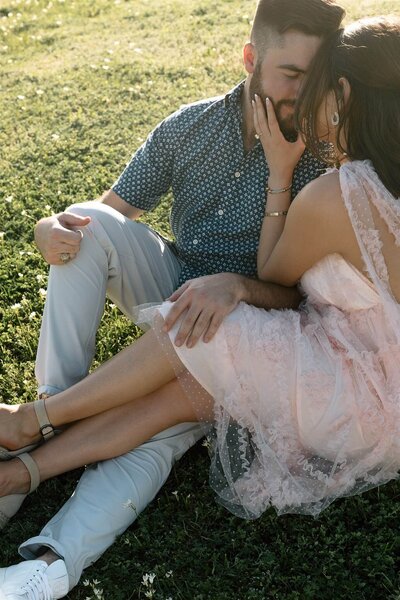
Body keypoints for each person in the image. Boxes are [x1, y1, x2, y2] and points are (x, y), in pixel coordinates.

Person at [2, 14, 400, 599]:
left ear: (343, 94)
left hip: (291, 342)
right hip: (326, 354)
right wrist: (49, 227)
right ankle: (35, 441)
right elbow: (105, 212)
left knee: (189, 368)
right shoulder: (195, 127)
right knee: (103, 246)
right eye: (292, 75)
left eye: (317, 81)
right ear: (250, 61)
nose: (304, 96)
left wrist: (248, 257)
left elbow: (281, 283)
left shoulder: (328, 170)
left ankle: (50, 525)